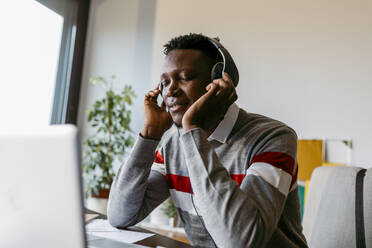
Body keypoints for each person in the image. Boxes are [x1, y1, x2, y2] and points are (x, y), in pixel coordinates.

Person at [107, 33, 308, 247]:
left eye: (184, 77)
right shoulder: (173, 145)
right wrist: (150, 133)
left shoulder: (273, 138)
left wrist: (193, 129)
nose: (171, 91)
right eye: (164, 83)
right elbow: (120, 215)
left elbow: (239, 241)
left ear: (218, 81)